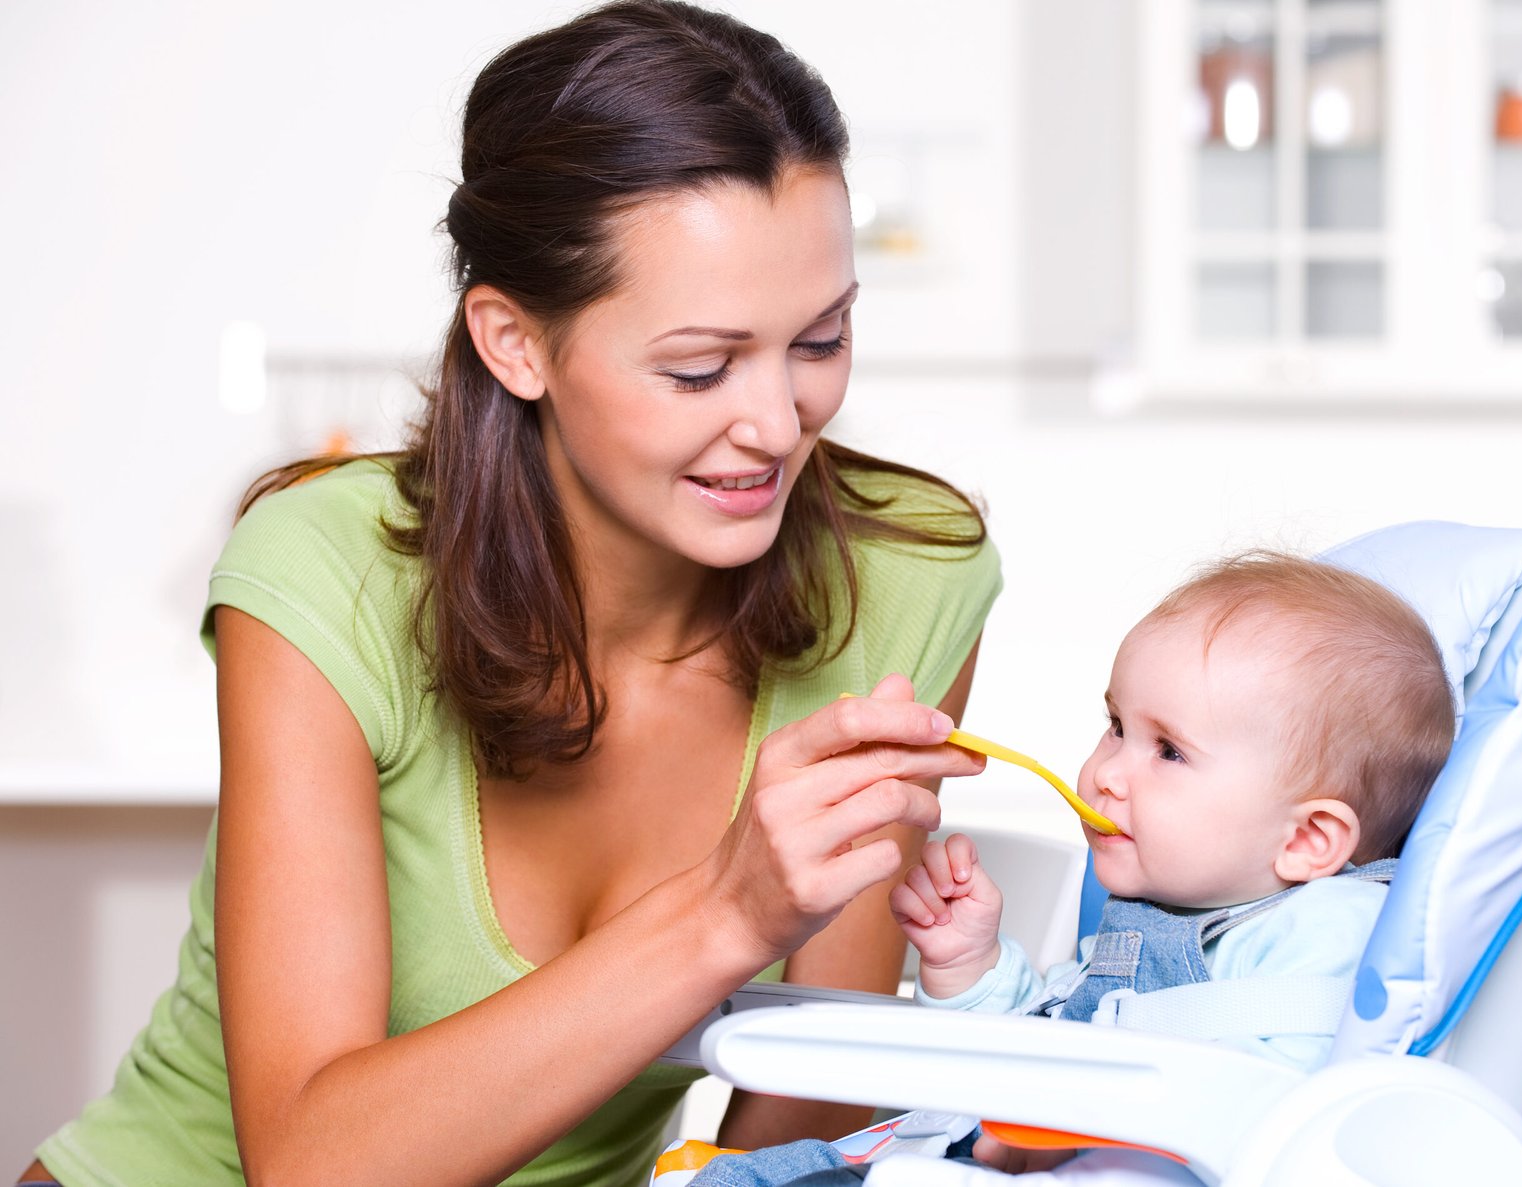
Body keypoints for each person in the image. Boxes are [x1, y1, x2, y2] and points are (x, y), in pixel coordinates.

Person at [17, 4, 1001, 1186]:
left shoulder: (907, 578)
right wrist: (725, 913)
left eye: (820, 340)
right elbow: (315, 1165)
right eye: (698, 366)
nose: (776, 426)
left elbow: (807, 1123)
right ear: (514, 343)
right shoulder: (325, 572)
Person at [682, 551, 1454, 1184]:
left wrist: (1078, 1120)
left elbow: (1271, 1114)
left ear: (1310, 839)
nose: (1107, 771)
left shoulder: (1322, 934)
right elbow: (1041, 1043)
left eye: (1169, 750)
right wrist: (972, 964)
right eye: (1116, 725)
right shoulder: (1161, 914)